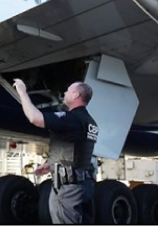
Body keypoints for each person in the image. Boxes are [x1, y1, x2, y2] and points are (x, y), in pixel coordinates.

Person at [14, 79, 99, 224]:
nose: (64, 93)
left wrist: (22, 92)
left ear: (76, 95)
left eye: (68, 90)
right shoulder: (90, 122)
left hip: (68, 188)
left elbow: (35, 118)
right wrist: (50, 164)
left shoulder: (72, 119)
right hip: (84, 184)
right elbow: (75, 150)